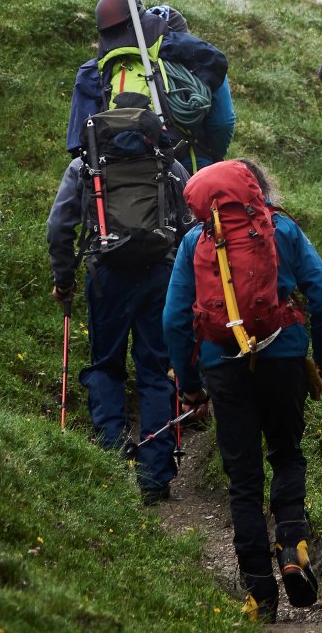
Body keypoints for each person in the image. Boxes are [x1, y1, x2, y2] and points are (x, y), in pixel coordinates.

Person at [164, 160, 322, 625]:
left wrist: (191, 387)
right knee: (286, 454)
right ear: (260, 192)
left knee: (243, 479)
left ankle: (260, 596)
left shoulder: (194, 241)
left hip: (223, 367)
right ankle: (292, 543)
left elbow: (174, 321)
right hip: (283, 359)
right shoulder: (283, 231)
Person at [46, 152, 186, 504]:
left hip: (105, 274)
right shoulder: (168, 162)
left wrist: (63, 281)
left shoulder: (86, 162)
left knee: (107, 366)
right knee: (156, 370)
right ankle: (154, 476)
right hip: (160, 274)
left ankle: (109, 463)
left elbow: (58, 226)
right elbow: (190, 224)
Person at [66, 0, 235, 174]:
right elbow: (223, 122)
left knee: (73, 179)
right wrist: (212, 155)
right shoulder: (196, 56)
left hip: (114, 172)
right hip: (189, 165)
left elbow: (79, 142)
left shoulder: (92, 71)